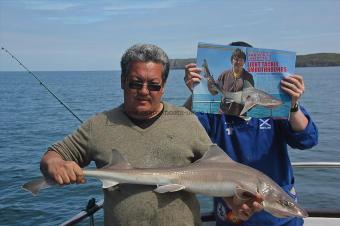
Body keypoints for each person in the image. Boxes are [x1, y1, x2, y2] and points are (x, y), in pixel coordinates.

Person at [39, 43, 261, 226]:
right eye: (135, 83)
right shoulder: (98, 125)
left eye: (153, 85)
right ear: (122, 82)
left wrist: (234, 201)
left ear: (163, 87)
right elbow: (53, 156)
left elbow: (217, 169)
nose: (144, 91)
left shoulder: (186, 119)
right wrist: (56, 165)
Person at [184, 41, 318, 226]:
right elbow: (183, 138)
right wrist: (196, 95)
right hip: (232, 215)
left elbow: (307, 140)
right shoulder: (214, 113)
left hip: (279, 216)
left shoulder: (275, 110)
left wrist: (293, 106)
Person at [207, 47, 254, 116]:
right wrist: (209, 83)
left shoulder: (248, 77)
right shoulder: (224, 75)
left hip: (240, 116)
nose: (238, 62)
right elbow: (214, 92)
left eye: (241, 60)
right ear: (232, 61)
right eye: (236, 59)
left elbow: (251, 97)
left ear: (244, 62)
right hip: (223, 114)